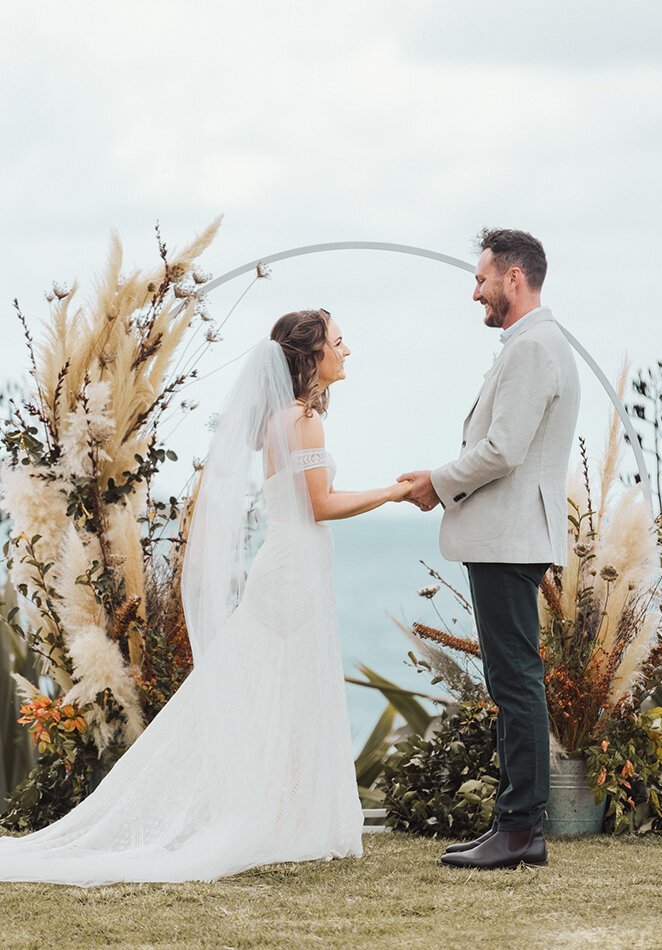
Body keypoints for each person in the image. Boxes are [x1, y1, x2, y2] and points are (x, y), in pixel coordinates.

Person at [0, 308, 411, 886]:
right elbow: (321, 504)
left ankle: (280, 811)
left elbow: (313, 496)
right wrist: (394, 492)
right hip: (295, 566)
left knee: (270, 682)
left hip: (288, 563)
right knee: (285, 681)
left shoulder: (280, 417)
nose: (348, 352)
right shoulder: (303, 419)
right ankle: (279, 814)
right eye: (340, 343)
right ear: (311, 357)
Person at [399, 229, 580, 870]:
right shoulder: (535, 344)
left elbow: (502, 450)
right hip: (511, 535)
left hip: (508, 538)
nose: (474, 290)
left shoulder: (533, 348)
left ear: (512, 278)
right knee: (513, 678)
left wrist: (437, 483)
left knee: (515, 680)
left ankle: (520, 831)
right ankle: (513, 825)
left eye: (481, 278)